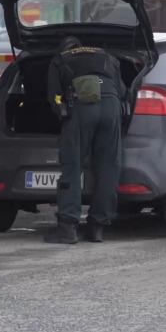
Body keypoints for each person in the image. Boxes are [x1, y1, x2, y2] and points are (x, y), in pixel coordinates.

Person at [44, 36, 127, 244]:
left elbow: (55, 96)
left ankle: (67, 227)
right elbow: (123, 91)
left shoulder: (60, 60)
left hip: (82, 107)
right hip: (111, 107)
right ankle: (97, 228)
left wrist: (61, 112)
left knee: (72, 166)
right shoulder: (107, 57)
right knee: (108, 167)